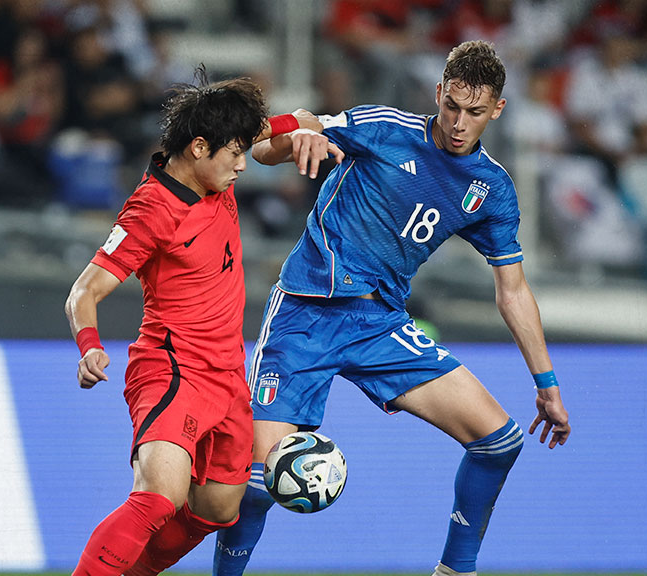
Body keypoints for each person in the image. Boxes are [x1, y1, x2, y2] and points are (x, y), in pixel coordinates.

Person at [212, 40, 571, 576]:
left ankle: (454, 572)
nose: (458, 122)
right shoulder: (384, 128)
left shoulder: (491, 188)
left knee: (499, 441)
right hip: (305, 314)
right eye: (451, 105)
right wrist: (299, 135)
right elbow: (269, 147)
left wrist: (546, 383)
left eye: (474, 112)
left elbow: (513, 290)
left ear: (497, 110)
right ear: (438, 93)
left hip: (380, 323)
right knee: (259, 484)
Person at [64, 71, 338, 576]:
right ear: (197, 148)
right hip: (172, 371)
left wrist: (304, 130)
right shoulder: (150, 211)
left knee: (219, 509)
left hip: (229, 377)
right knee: (160, 498)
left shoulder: (219, 149)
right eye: (233, 156)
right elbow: (84, 291)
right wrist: (89, 346)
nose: (242, 166)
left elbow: (291, 121)